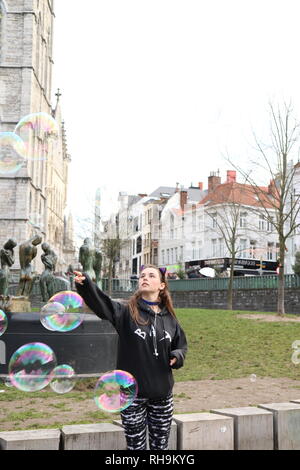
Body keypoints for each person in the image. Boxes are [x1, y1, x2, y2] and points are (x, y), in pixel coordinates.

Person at [74, 263, 187, 450]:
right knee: (136, 447)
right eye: (142, 275)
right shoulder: (126, 312)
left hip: (162, 395)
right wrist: (86, 285)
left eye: (151, 275)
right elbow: (103, 304)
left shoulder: (171, 319)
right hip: (131, 396)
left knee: (161, 447)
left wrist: (177, 356)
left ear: (162, 285)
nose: (144, 278)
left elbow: (181, 345)